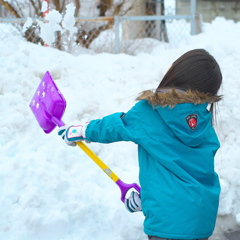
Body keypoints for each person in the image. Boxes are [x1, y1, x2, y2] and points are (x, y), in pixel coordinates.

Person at [58, 49, 222, 240]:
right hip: (201, 220)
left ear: (176, 73)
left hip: (166, 227)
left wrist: (83, 130)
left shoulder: (152, 111)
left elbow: (117, 126)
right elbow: (189, 174)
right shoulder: (204, 126)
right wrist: (147, 198)